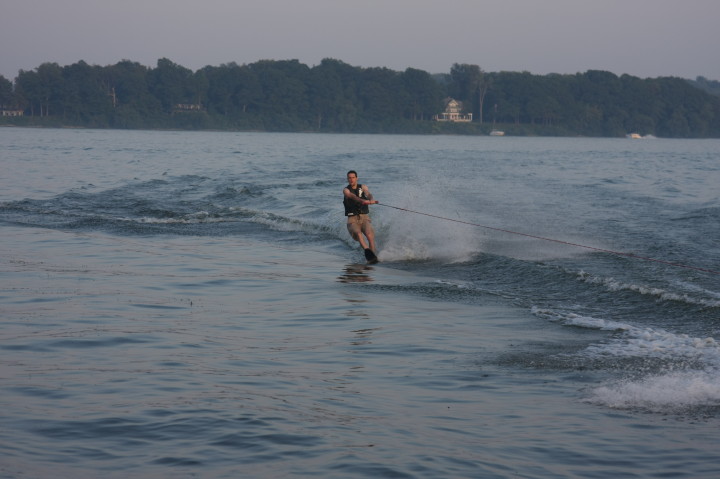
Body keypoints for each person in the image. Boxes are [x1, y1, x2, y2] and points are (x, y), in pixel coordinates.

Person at [343, 170, 379, 262]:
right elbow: (351, 196)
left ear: (357, 178)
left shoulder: (363, 187)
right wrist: (362, 201)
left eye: (353, 177)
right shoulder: (346, 190)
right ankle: (367, 251)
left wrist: (371, 200)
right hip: (352, 220)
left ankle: (373, 256)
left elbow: (368, 193)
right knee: (358, 233)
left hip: (364, 217)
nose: (351, 180)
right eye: (349, 178)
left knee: (369, 235)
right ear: (347, 179)